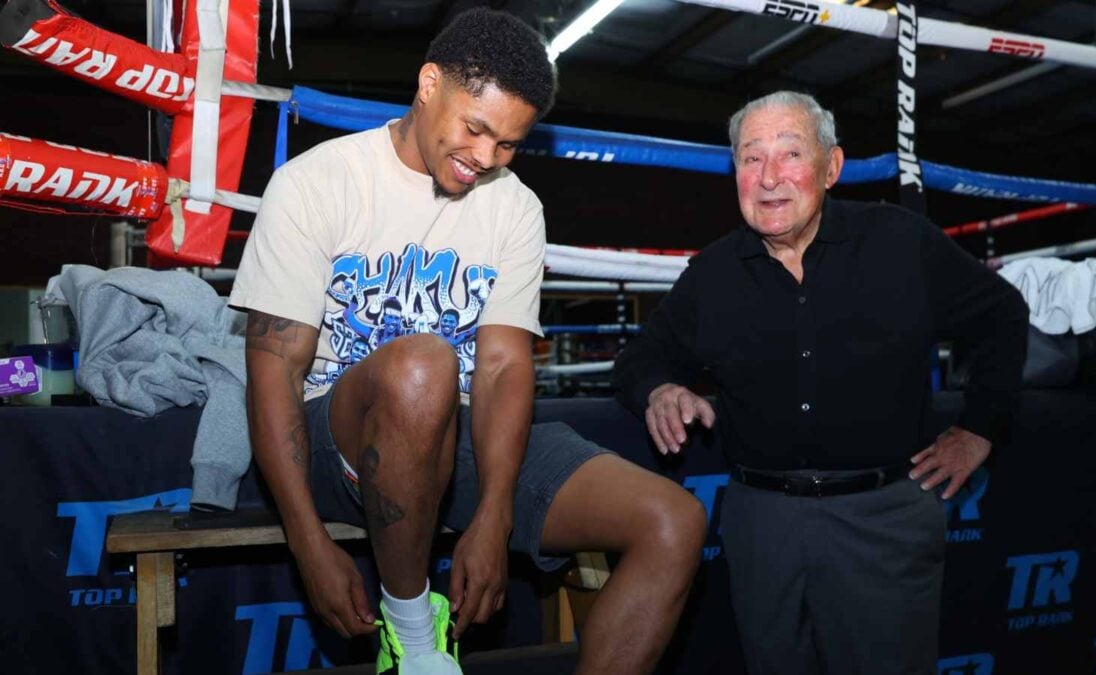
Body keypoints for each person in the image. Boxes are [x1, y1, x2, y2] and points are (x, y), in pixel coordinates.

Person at [231, 9, 706, 675]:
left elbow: (507, 367)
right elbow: (275, 370)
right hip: (337, 435)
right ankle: (413, 634)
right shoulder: (317, 182)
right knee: (424, 363)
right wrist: (305, 537)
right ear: (429, 84)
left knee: (673, 521)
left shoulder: (513, 206)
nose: (485, 158)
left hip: (458, 431)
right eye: (475, 128)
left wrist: (496, 511)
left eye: (508, 144)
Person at [613, 91, 1029, 674]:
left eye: (789, 154)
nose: (769, 177)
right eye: (751, 158)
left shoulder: (898, 241)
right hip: (763, 525)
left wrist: (980, 428)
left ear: (831, 167)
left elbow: (1003, 316)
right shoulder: (712, 274)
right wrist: (660, 390)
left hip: (885, 519)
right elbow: (639, 359)